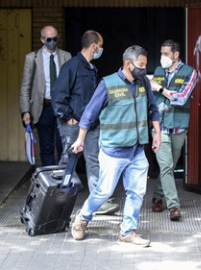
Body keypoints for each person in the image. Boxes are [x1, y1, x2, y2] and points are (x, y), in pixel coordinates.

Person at [70, 45, 162, 247]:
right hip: (113, 151)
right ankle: (82, 219)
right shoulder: (108, 84)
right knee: (103, 192)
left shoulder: (143, 83)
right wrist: (80, 139)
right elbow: (89, 115)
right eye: (141, 65)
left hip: (137, 150)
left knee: (136, 192)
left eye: (145, 65)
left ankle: (127, 232)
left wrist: (157, 134)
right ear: (128, 65)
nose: (144, 69)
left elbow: (153, 110)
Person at [52, 30, 119, 215]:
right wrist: (68, 117)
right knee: (68, 161)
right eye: (101, 45)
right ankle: (57, 200)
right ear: (94, 46)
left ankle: (98, 202)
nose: (101, 49)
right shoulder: (71, 67)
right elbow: (58, 96)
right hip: (73, 125)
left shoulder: (92, 68)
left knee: (94, 161)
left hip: (91, 124)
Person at [149, 39, 198, 221]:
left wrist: (160, 88)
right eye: (161, 54)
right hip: (159, 127)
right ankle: (173, 206)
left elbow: (182, 98)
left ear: (176, 55)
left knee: (169, 166)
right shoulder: (159, 71)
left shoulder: (190, 72)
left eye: (166, 54)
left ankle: (156, 196)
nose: (163, 57)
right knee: (167, 166)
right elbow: (153, 96)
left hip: (178, 127)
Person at [19, 25, 71, 166]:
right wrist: (26, 110)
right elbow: (25, 86)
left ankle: (63, 180)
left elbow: (72, 84)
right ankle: (50, 179)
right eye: (49, 39)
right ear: (42, 39)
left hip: (61, 106)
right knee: (46, 147)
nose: (52, 42)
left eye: (55, 39)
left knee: (63, 146)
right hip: (43, 107)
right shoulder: (32, 58)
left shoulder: (66, 56)